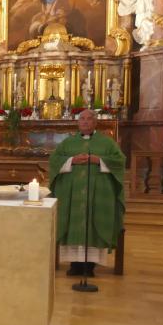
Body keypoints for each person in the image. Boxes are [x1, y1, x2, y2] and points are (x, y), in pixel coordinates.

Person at [49, 109, 125, 277]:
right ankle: (74, 265)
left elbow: (120, 161)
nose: (85, 122)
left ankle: (90, 266)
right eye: (82, 119)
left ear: (95, 122)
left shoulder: (107, 143)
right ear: (77, 122)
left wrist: (99, 160)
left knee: (93, 223)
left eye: (89, 119)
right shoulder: (68, 143)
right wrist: (71, 160)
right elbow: (54, 161)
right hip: (71, 193)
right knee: (72, 224)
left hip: (98, 193)